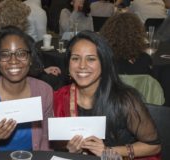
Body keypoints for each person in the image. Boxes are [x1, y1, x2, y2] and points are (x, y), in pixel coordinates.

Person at [53, 31, 161, 159]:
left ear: (104, 64)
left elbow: (154, 146)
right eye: (75, 58)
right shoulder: (60, 97)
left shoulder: (125, 100)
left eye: (91, 59)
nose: (82, 65)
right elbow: (58, 143)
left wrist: (109, 151)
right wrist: (69, 148)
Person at [0, 26, 53, 153]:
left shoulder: (44, 91)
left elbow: (46, 139)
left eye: (21, 54)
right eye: (5, 55)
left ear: (30, 59)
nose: (13, 61)